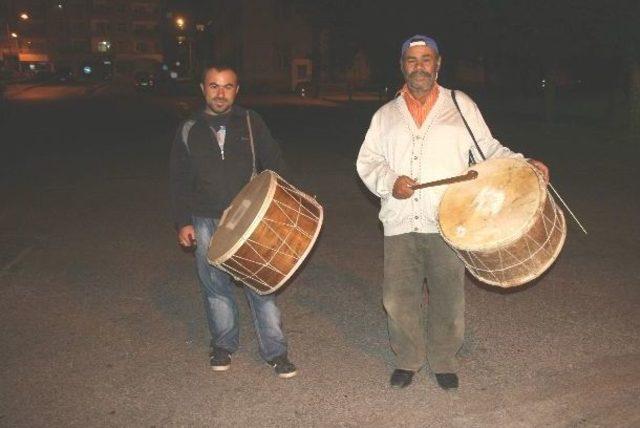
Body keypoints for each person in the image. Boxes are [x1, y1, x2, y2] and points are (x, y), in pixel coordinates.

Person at [356, 35, 548, 390]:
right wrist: (391, 180)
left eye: (425, 59)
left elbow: (489, 150)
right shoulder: (385, 115)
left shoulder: (459, 105)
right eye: (411, 60)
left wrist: (524, 164)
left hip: (448, 221)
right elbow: (368, 161)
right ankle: (408, 358)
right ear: (402, 65)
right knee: (398, 298)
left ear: (438, 63)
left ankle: (443, 359)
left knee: (447, 295)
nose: (419, 66)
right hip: (400, 221)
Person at [169, 64, 297, 378]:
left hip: (249, 221)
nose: (220, 93)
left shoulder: (251, 122)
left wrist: (290, 202)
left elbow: (275, 162)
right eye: (214, 86)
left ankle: (276, 352)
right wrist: (182, 221)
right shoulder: (189, 128)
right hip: (205, 219)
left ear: (236, 90)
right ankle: (223, 345)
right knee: (215, 288)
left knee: (261, 287)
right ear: (203, 89)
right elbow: (178, 179)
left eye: (227, 86)